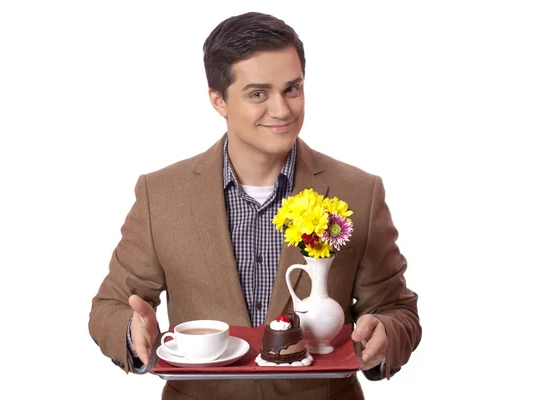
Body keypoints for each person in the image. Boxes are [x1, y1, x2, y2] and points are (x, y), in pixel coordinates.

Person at [88, 11, 421, 400]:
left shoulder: (358, 192)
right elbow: (109, 306)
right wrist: (131, 331)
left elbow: (397, 309)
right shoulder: (160, 195)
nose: (281, 110)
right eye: (258, 94)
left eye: (292, 89)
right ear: (218, 100)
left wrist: (385, 333)